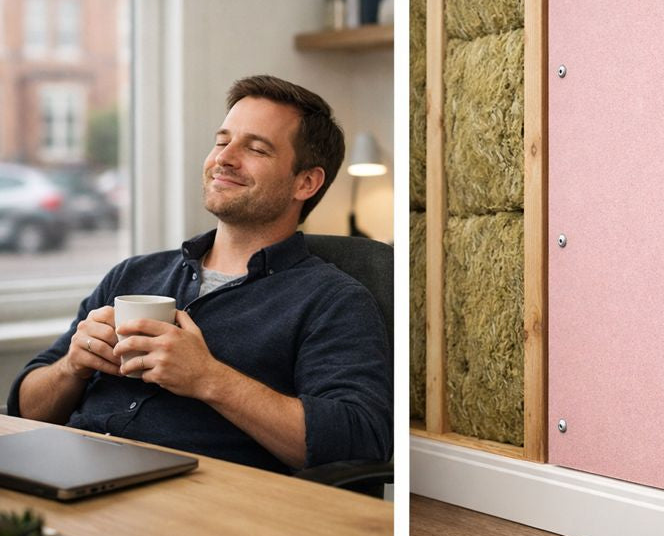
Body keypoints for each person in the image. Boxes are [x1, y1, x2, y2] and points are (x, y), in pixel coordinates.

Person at [6, 75, 392, 475]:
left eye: (256, 148)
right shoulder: (132, 275)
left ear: (306, 182)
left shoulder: (333, 300)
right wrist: (72, 366)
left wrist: (209, 379)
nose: (224, 158)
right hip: (65, 475)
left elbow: (360, 439)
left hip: (198, 509)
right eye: (223, 141)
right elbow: (24, 409)